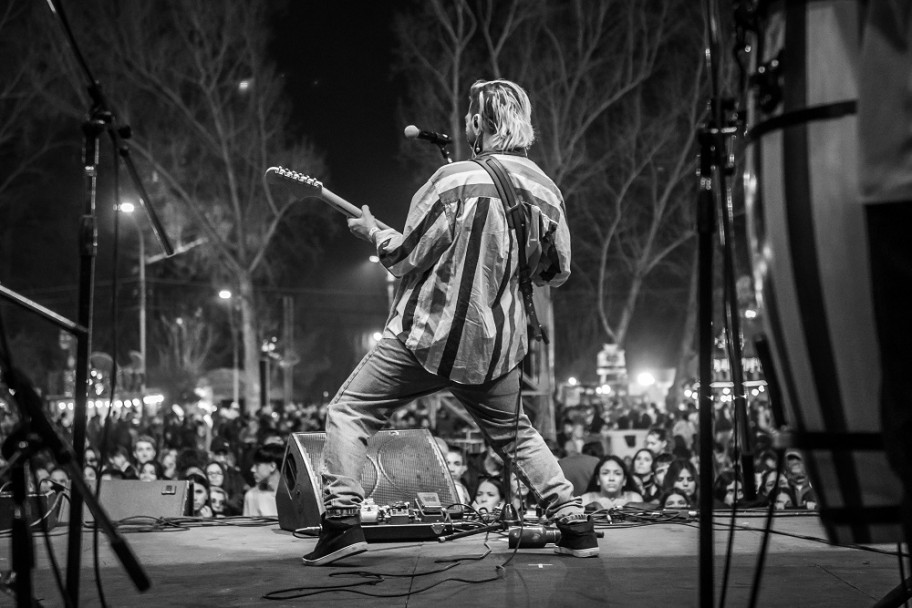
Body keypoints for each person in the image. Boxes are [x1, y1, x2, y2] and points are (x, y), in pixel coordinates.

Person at [303, 79, 594, 567]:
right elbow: (555, 271)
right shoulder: (547, 190)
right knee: (517, 435)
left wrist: (373, 233)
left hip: (426, 339)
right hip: (497, 346)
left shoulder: (452, 180)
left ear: (480, 123)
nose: (465, 122)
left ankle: (341, 524)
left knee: (349, 413)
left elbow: (404, 257)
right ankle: (574, 524)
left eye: (470, 115)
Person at [243, 443, 283, 517]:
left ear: (272, 466)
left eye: (257, 465)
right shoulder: (251, 496)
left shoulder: (296, 497)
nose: (252, 469)